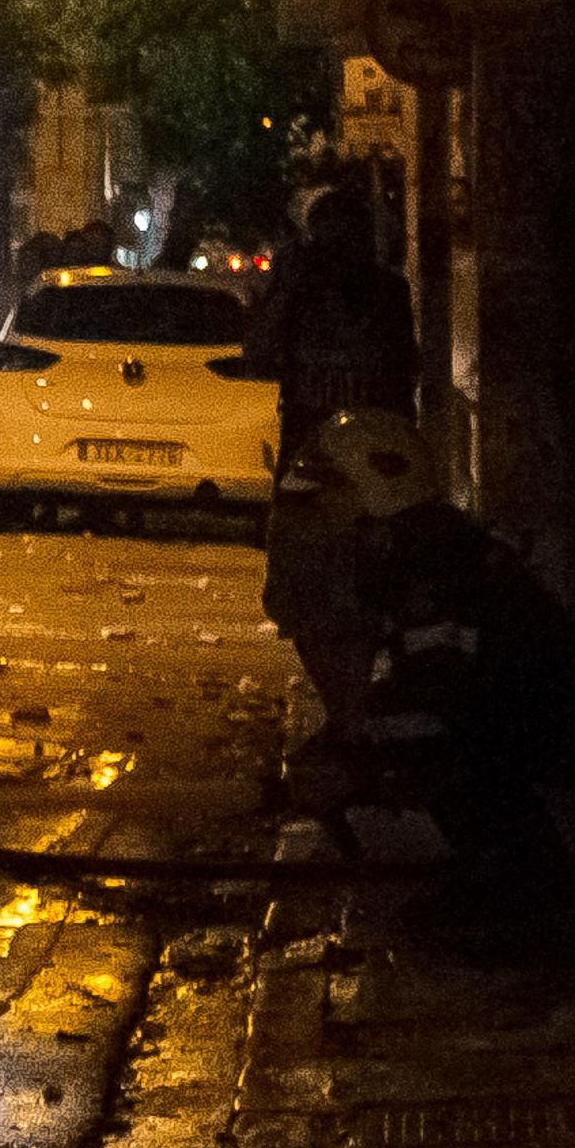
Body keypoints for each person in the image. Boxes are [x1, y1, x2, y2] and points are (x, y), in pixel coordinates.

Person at [321, 410, 575, 953]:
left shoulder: (420, 554)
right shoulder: (427, 534)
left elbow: (436, 677)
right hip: (555, 707)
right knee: (426, 737)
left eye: (336, 489)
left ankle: (522, 883)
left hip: (556, 717)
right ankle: (511, 867)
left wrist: (357, 751)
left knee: (421, 744)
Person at [245, 181, 420, 745]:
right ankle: (343, 708)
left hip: (368, 467)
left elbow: (404, 373)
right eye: (330, 233)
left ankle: (350, 709)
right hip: (316, 466)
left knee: (365, 586)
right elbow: (260, 353)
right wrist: (291, 287)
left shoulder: (385, 292)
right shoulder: (304, 291)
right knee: (302, 591)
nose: (340, 244)